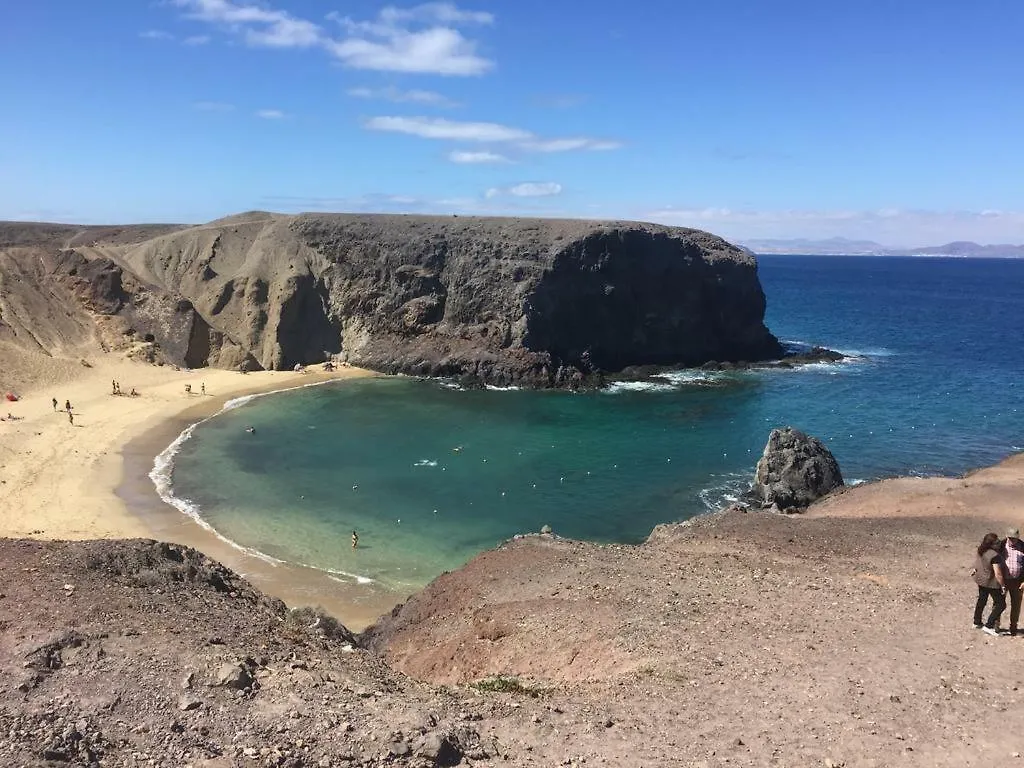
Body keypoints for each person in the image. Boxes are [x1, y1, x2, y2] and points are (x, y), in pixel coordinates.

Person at [973, 532, 1006, 635]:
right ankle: (989, 625)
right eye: (996, 542)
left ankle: (976, 622)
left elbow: (977, 562)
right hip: (991, 582)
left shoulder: (981, 549)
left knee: (982, 600)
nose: (999, 543)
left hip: (980, 580)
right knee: (1001, 604)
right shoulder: (994, 555)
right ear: (991, 544)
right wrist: (1003, 585)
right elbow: (998, 573)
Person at [1000, 528, 1024, 636]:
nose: (1012, 541)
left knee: (1016, 605)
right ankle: (996, 625)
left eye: (1014, 538)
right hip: (1003, 580)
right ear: (1006, 536)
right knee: (999, 604)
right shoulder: (1000, 546)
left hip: (1018, 582)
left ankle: (1013, 626)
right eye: (1010, 538)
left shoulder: (1023, 547)